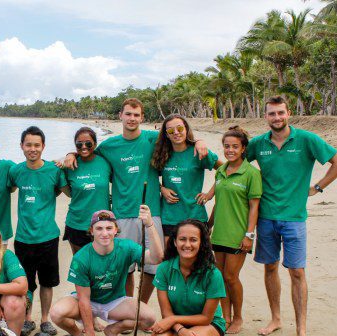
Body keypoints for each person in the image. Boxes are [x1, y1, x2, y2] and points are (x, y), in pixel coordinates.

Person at [64, 99, 208, 304]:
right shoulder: (109, 146)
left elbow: (179, 137)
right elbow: (86, 151)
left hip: (152, 213)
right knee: (126, 268)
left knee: (154, 265)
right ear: (120, 116)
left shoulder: (153, 139)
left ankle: (141, 306)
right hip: (122, 214)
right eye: (128, 114)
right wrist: (71, 153)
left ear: (142, 117)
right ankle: (127, 307)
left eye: (136, 115)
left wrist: (199, 141)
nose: (132, 118)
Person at [246, 96, 337, 336]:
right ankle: (276, 319)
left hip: (294, 218)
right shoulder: (258, 144)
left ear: (288, 113)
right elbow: (234, 160)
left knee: (297, 272)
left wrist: (317, 187)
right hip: (266, 217)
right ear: (265, 116)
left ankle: (301, 331)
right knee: (270, 268)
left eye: (281, 113)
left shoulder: (306, 139)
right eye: (272, 114)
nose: (277, 118)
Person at [49, 209, 163, 336]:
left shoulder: (126, 247)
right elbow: (83, 300)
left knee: (149, 318)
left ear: (116, 230)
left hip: (115, 302)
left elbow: (156, 258)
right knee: (57, 313)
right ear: (91, 231)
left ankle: (113, 330)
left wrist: (150, 225)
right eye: (99, 228)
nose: (105, 233)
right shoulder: (81, 258)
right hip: (89, 301)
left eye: (109, 228)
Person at [9, 126, 68, 336]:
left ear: (43, 146)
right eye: (28, 145)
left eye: (37, 145)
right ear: (22, 146)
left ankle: (45, 319)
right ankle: (27, 319)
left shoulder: (54, 171)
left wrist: (68, 160)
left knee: (47, 282)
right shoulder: (16, 171)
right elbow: (10, 187)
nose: (32, 149)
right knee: (25, 283)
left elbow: (67, 191)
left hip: (48, 236)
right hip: (23, 237)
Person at [209, 126, 262, 334]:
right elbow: (218, 202)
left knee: (232, 277)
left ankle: (238, 317)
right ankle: (226, 317)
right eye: (226, 146)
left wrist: (249, 235)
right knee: (220, 277)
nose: (230, 150)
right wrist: (209, 225)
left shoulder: (251, 173)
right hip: (219, 233)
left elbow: (254, 207)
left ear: (243, 148)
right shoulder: (222, 170)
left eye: (235, 147)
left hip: (238, 235)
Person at [150, 220, 227, 336]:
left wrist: (174, 320)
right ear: (175, 242)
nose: (187, 244)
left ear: (201, 243)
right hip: (177, 324)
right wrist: (181, 330)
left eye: (193, 240)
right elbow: (166, 312)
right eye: (182, 239)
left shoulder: (213, 274)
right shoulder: (164, 268)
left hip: (208, 324)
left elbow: (206, 318)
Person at [151, 114, 221, 242]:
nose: (176, 133)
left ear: (186, 129)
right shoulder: (162, 154)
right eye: (171, 130)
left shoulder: (199, 151)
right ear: (166, 134)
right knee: (171, 259)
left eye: (180, 128)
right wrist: (162, 189)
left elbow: (225, 171)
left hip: (195, 215)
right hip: (169, 216)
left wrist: (209, 194)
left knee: (197, 260)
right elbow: (149, 177)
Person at [62, 127, 111, 253]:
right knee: (80, 266)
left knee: (101, 265)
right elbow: (64, 189)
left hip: (102, 223)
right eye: (79, 144)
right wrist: (70, 154)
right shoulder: (69, 165)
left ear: (95, 144)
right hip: (76, 223)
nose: (84, 147)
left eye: (88, 143)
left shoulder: (105, 162)